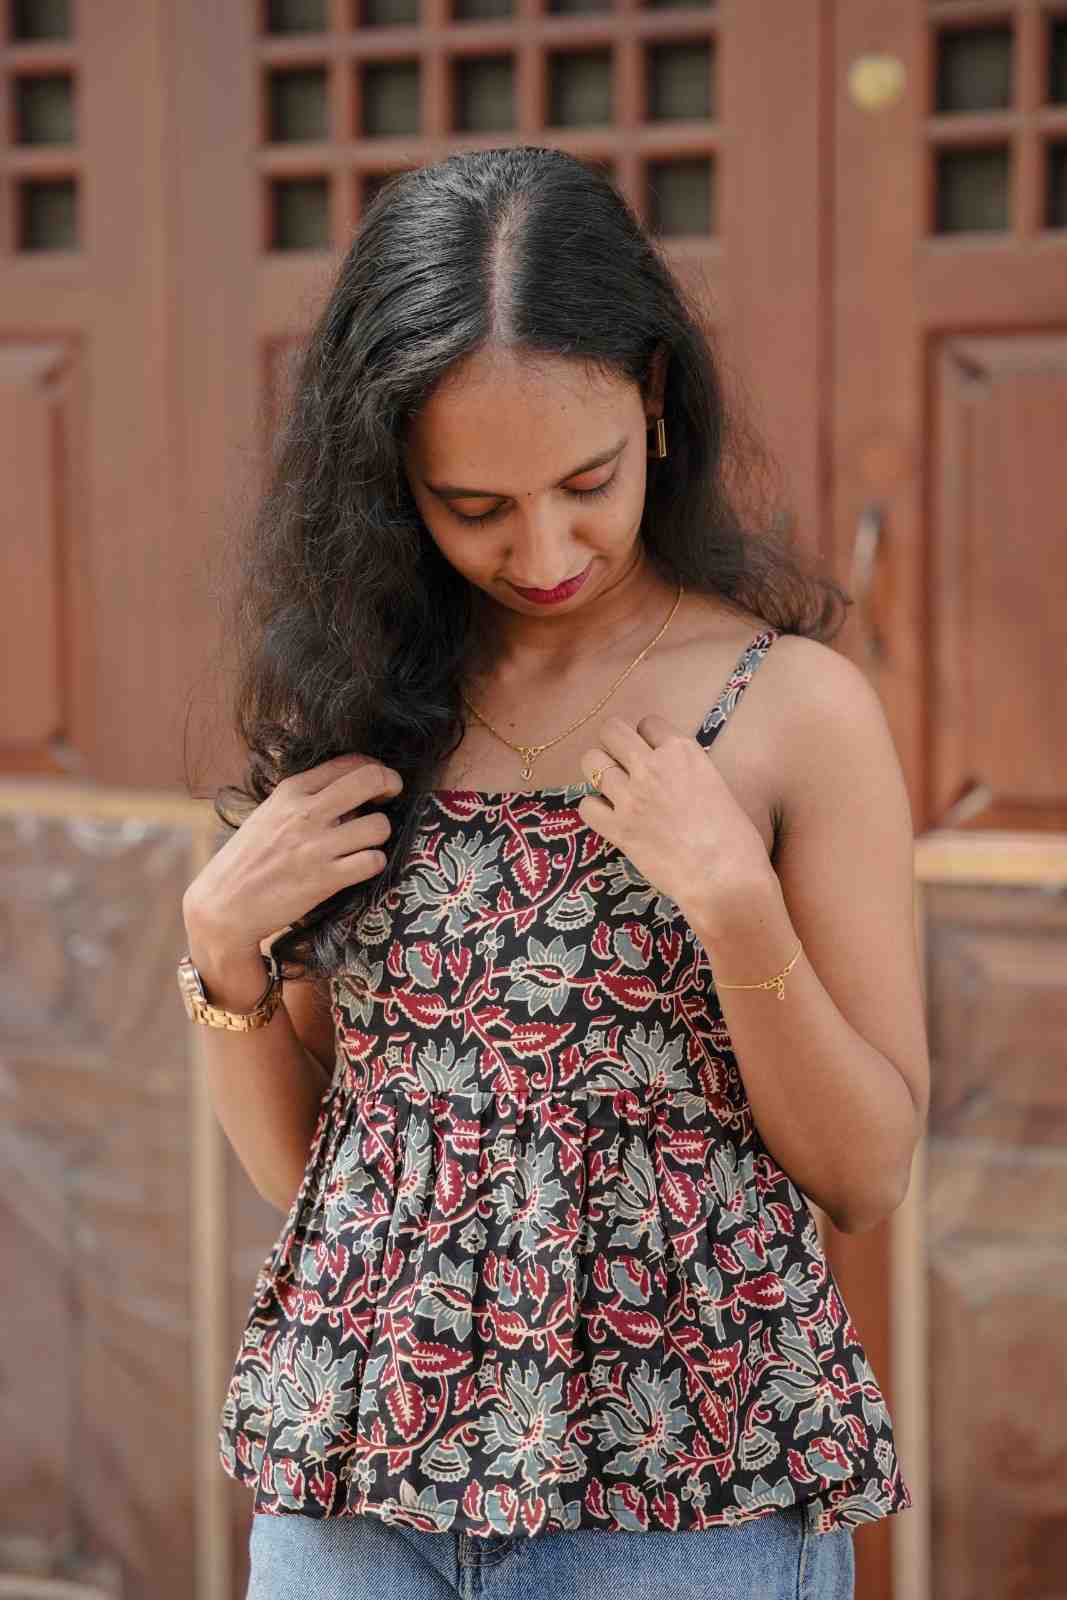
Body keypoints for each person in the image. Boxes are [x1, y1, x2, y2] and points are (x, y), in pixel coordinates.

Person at [180, 145, 929, 1600]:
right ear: (391, 476)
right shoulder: (368, 699)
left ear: (655, 396)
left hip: (682, 1496)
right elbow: (317, 1173)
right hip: (353, 1490)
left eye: (588, 483)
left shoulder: (790, 708)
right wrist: (219, 955)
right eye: (474, 505)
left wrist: (736, 907)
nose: (544, 550)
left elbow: (867, 1171)